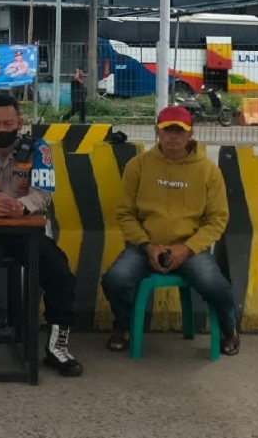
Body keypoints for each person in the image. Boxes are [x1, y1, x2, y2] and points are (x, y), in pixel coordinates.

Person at [0, 93, 83, 376]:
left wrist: (21, 206)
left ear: (20, 122)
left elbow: (44, 193)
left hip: (25, 230)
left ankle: (57, 346)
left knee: (60, 272)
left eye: (8, 123)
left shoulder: (39, 149)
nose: (2, 129)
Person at [101, 105, 240, 355]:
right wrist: (147, 246)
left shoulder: (208, 170)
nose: (173, 137)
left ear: (190, 134)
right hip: (145, 247)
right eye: (167, 130)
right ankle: (124, 325)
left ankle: (229, 329)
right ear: (157, 132)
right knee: (115, 280)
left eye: (179, 131)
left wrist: (187, 249)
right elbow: (125, 214)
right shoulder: (138, 166)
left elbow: (217, 219)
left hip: (190, 248)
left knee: (214, 285)